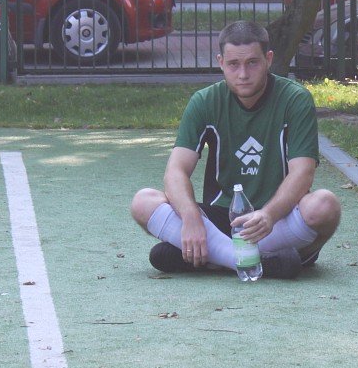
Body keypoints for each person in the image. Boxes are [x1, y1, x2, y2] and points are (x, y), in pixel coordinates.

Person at [130, 20, 341, 279]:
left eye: (252, 63)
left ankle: (212, 258)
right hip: (221, 220)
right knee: (143, 202)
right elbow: (175, 172)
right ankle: (251, 260)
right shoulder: (204, 101)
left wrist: (269, 215)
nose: (242, 74)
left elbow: (303, 173)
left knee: (324, 205)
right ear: (221, 62)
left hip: (276, 220)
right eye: (233, 64)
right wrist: (191, 217)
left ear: (268, 59)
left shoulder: (295, 99)